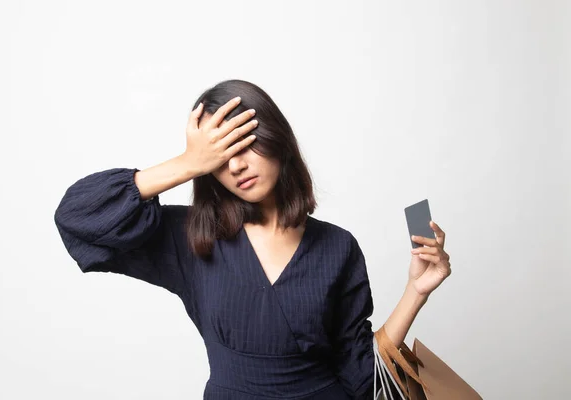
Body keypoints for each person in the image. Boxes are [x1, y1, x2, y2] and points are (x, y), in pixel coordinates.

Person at [54, 79, 451, 399]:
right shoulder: (193, 237)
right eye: (219, 155)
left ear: (276, 139)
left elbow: (362, 377)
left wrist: (415, 291)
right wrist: (188, 163)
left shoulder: (337, 247)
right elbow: (78, 218)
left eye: (243, 143)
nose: (236, 164)